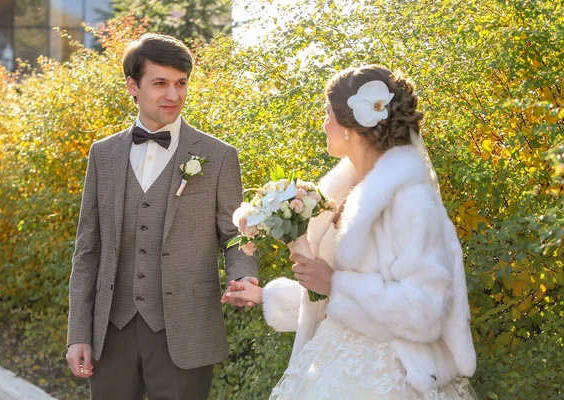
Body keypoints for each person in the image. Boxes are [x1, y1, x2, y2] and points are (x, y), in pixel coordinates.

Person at [223, 65, 477, 399]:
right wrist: (267, 296)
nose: (323, 124)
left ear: (350, 126)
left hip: (390, 375)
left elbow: (426, 311)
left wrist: (336, 284)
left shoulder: (410, 199)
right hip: (331, 359)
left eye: (327, 114)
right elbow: (332, 293)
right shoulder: (344, 193)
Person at [65, 33, 259, 400]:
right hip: (111, 332)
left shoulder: (217, 156)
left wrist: (244, 275)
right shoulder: (103, 154)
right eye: (160, 83)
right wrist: (78, 333)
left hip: (184, 331)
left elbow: (235, 234)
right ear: (132, 86)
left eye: (181, 83)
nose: (174, 95)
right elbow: (87, 250)